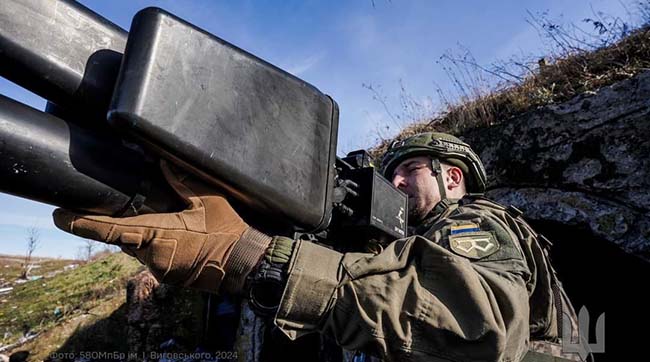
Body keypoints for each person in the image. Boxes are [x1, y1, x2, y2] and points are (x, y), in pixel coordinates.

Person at [53, 132, 580, 361]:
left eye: (408, 171)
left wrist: (254, 257)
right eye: (388, 173)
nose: (394, 183)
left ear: (453, 177)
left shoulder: (478, 221)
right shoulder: (408, 245)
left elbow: (473, 327)